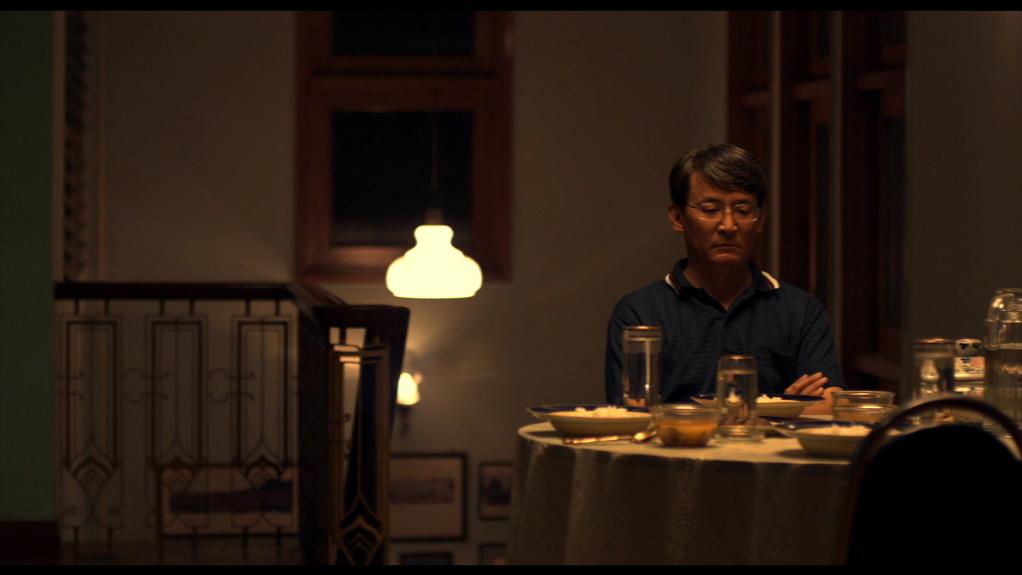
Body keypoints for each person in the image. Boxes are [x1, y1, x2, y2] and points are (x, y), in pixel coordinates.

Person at [604, 143, 845, 413]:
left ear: (761, 219)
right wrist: (781, 411)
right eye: (710, 209)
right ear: (678, 218)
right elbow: (631, 415)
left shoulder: (800, 310)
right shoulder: (639, 313)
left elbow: (829, 403)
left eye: (743, 210)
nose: (728, 225)